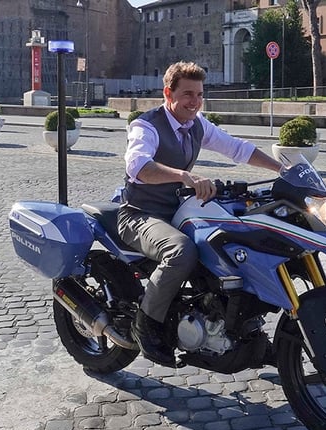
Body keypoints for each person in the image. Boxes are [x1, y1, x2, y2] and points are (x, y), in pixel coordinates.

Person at [118, 61, 283, 366]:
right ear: (169, 93)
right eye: (187, 94)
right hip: (141, 213)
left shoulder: (196, 125)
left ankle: (245, 333)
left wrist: (283, 170)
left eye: (199, 95)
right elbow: (138, 167)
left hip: (181, 211)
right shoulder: (146, 125)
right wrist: (185, 176)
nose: (194, 102)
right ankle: (146, 325)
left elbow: (237, 148)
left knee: (235, 246)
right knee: (181, 251)